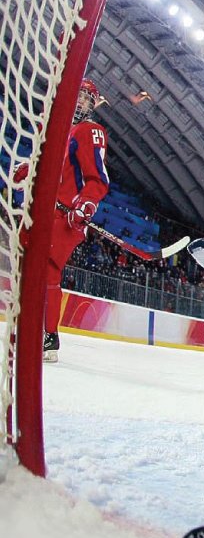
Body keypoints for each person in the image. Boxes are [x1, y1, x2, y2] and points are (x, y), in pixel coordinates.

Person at [42, 78, 110, 362]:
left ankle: (49, 335)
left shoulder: (90, 130)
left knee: (45, 273)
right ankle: (38, 328)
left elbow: (98, 178)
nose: (81, 100)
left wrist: (85, 204)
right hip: (45, 212)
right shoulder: (61, 130)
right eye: (78, 94)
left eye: (87, 97)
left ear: (93, 104)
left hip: (65, 217)